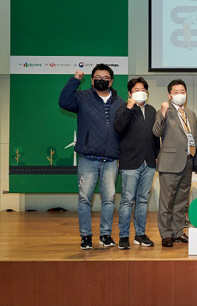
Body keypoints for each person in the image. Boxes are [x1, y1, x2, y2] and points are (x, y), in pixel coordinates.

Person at [58, 64, 125, 250]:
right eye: (98, 77)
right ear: (92, 79)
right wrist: (75, 80)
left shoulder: (120, 102)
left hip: (110, 159)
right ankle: (86, 236)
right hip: (87, 158)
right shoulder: (82, 97)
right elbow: (64, 101)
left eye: (105, 78)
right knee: (84, 199)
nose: (101, 80)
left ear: (111, 81)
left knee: (109, 199)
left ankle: (105, 235)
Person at [153, 79, 197, 247]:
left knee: (181, 201)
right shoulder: (164, 112)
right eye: (176, 92)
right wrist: (163, 113)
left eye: (182, 92)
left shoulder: (190, 113)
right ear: (169, 95)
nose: (180, 95)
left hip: (187, 162)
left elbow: (195, 138)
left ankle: (178, 231)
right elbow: (156, 132)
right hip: (170, 163)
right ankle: (166, 234)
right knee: (167, 201)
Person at [113, 77, 160, 249]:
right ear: (130, 93)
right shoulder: (123, 108)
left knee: (142, 200)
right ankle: (124, 236)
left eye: (143, 90)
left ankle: (140, 234)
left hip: (149, 162)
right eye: (136, 90)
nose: (141, 92)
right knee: (127, 200)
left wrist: (156, 155)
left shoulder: (152, 110)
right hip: (130, 162)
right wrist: (129, 107)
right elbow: (118, 127)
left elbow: (155, 135)